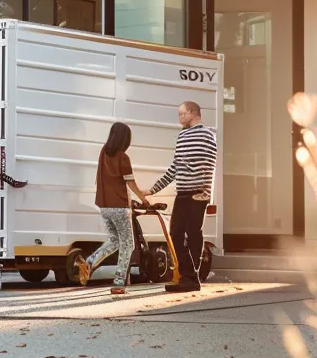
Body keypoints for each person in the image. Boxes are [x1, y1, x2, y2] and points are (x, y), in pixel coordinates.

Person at [147, 101, 217, 293]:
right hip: (182, 192)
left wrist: (205, 192)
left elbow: (209, 162)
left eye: (182, 114)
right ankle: (189, 276)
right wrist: (153, 189)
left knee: (193, 233)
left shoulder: (207, 134)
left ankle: (190, 277)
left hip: (197, 193)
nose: (180, 118)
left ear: (194, 113)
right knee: (176, 233)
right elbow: (175, 167)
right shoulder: (182, 135)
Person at [77, 123, 150, 295]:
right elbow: (130, 183)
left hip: (104, 206)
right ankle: (118, 282)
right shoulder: (123, 157)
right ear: (125, 139)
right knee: (128, 244)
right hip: (119, 206)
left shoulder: (103, 152)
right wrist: (143, 199)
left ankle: (90, 261)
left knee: (114, 240)